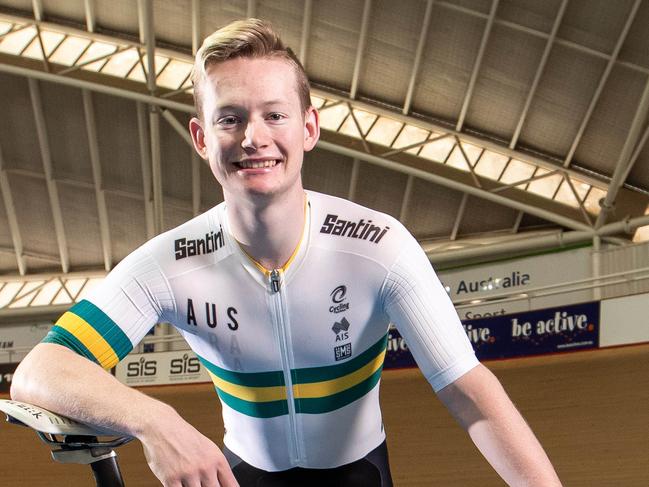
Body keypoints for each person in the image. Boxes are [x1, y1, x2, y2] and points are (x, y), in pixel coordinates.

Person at [11, 18, 562, 487]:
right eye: (230, 118)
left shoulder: (379, 245)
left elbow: (467, 390)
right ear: (202, 139)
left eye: (274, 114)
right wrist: (156, 421)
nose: (254, 137)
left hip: (360, 473)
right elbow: (41, 369)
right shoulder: (169, 264)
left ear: (309, 127)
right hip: (243, 474)